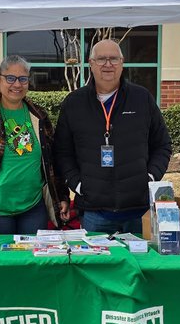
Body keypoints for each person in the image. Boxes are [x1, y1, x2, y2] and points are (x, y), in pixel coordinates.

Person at [53, 39, 172, 236]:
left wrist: (149, 178)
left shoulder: (142, 98)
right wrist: (78, 185)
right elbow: (62, 152)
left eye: (113, 59)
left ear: (122, 63)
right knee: (97, 258)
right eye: (101, 59)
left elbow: (162, 145)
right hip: (94, 212)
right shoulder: (74, 103)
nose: (108, 64)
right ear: (91, 64)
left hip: (138, 210)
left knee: (141, 257)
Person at [0, 55, 70, 235]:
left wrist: (62, 196)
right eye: (10, 78)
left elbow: (52, 162)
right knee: (0, 254)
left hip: (33, 207)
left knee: (34, 253)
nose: (17, 84)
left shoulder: (39, 116)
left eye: (23, 79)